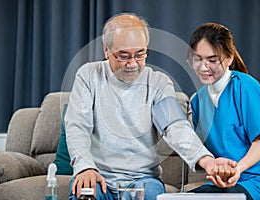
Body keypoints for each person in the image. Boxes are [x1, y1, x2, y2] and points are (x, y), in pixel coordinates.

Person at [65, 14, 235, 200]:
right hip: (97, 176)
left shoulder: (158, 83)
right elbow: (78, 125)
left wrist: (206, 160)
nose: (132, 64)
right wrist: (85, 167)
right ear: (106, 50)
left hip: (143, 179)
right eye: (123, 56)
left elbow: (175, 127)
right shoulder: (89, 75)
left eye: (140, 54)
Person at [187, 22, 260, 200]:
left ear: (228, 59)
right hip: (228, 182)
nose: (203, 67)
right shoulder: (197, 101)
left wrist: (237, 170)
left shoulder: (245, 86)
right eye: (198, 59)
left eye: (212, 60)